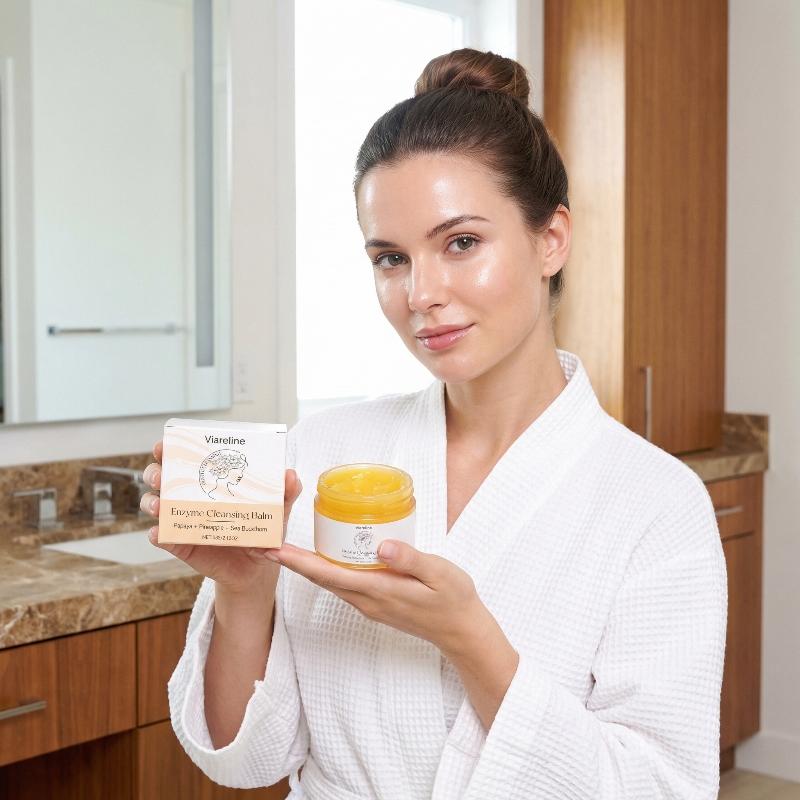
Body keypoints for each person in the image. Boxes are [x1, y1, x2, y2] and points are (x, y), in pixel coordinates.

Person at [140, 48, 728, 800]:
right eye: (390, 258)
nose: (420, 293)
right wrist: (244, 593)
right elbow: (243, 760)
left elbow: (663, 787)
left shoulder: (655, 502)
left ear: (551, 239)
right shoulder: (322, 453)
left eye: (461, 243)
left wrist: (467, 637)